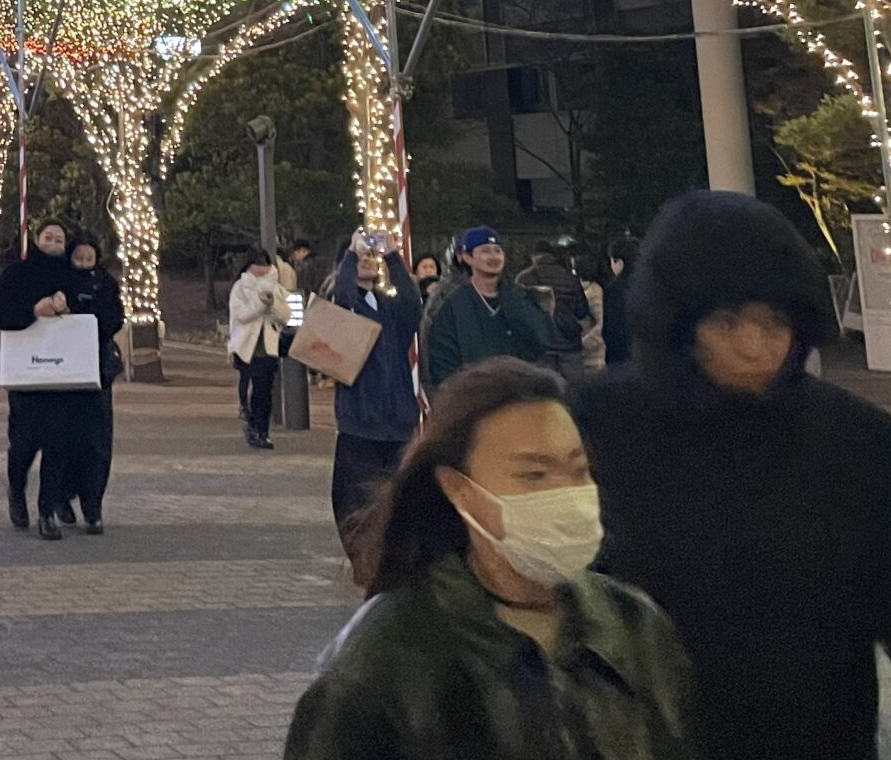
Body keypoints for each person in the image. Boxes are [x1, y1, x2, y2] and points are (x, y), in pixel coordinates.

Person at [578, 190, 891, 760]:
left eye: (774, 323)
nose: (755, 348)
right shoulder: (595, 433)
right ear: (678, 323)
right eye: (727, 322)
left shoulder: (853, 441)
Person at [285, 357, 698, 760]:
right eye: (533, 475)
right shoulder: (386, 657)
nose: (565, 494)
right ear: (460, 490)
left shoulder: (635, 627)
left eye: (578, 471)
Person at [0, 220, 85, 537]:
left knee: (58, 444)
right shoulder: (17, 273)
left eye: (59, 239)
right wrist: (33, 311)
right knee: (24, 443)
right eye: (48, 237)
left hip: (63, 374)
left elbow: (90, 311)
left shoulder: (71, 275)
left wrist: (69, 306)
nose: (54, 243)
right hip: (27, 374)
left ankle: (47, 512)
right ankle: (16, 490)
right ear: (37, 239)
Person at [328, 227, 422, 548]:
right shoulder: (345, 305)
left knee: (398, 507)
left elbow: (412, 305)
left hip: (398, 423)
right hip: (360, 423)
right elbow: (343, 300)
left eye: (372, 256)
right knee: (355, 506)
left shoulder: (389, 308)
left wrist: (393, 256)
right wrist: (350, 255)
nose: (368, 261)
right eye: (361, 257)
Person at [424, 226, 552, 391]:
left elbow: (542, 340)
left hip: (519, 393)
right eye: (485, 251)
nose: (493, 256)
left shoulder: (519, 296)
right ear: (467, 257)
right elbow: (442, 359)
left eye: (497, 251)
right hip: (474, 394)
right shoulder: (453, 304)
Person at [60, 228, 126, 533]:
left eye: (90, 257)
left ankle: (93, 504)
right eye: (79, 257)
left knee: (98, 440)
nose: (85, 262)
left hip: (98, 369)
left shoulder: (106, 283)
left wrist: (91, 320)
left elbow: (114, 318)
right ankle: (62, 494)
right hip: (64, 369)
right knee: (66, 437)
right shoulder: (59, 280)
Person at [229, 247, 291, 450]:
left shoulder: (276, 288)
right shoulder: (240, 287)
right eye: (258, 264)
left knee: (264, 391)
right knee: (247, 387)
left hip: (268, 347)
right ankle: (250, 424)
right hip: (245, 346)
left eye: (265, 264)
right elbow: (242, 315)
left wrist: (272, 305)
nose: (262, 269)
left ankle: (261, 430)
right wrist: (260, 304)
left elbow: (286, 315)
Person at [516, 239, 594, 386]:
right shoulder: (570, 278)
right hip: (570, 342)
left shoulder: (524, 278)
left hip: (540, 344)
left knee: (544, 390)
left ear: (534, 256)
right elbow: (582, 311)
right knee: (575, 389)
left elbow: (518, 315)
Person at [601, 237, 637, 368]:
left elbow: (611, 327)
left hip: (621, 355)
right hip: (644, 352)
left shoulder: (614, 288)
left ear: (619, 262)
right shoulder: (647, 283)